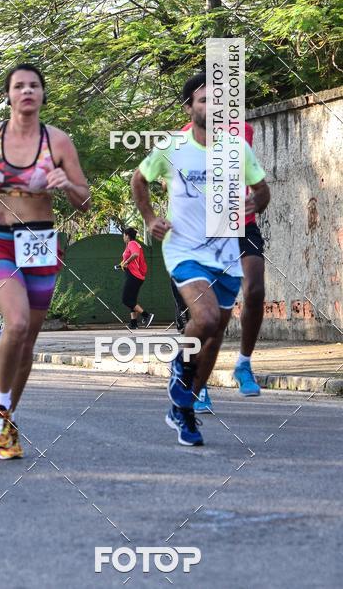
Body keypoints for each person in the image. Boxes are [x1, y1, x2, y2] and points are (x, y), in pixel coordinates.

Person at [0, 64, 90, 460]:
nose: (27, 91)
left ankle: (8, 421)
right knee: (14, 322)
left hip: (40, 242)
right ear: (9, 95)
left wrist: (67, 185)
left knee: (28, 337)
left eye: (34, 85)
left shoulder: (59, 142)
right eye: (19, 86)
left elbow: (85, 198)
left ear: (42, 94)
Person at [131, 73, 270, 447]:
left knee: (214, 333)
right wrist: (149, 218)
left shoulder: (240, 140)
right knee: (205, 318)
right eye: (204, 99)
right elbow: (140, 180)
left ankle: (186, 406)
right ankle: (180, 367)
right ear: (189, 107)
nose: (214, 105)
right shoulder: (174, 145)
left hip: (231, 240)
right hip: (187, 245)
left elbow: (261, 189)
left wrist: (255, 202)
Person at [179, 120, 267, 410]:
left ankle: (243, 364)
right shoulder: (186, 133)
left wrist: (257, 198)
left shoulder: (245, 130)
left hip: (243, 226)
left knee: (254, 291)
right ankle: (196, 382)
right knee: (211, 318)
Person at [118, 227, 153, 329]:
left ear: (127, 236)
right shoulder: (134, 244)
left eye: (124, 235)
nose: (123, 237)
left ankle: (147, 315)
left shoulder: (132, 244)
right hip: (135, 275)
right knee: (132, 300)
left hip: (134, 276)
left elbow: (135, 254)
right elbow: (132, 259)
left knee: (126, 300)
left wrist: (126, 262)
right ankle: (133, 323)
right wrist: (122, 264)